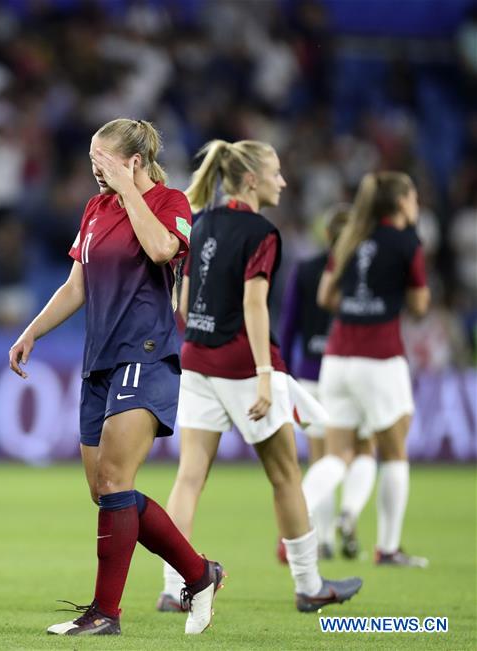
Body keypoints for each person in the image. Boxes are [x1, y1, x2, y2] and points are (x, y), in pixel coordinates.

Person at [9, 119, 223, 637]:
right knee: (105, 493)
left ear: (133, 161)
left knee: (114, 483)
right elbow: (76, 285)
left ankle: (106, 613)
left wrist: (129, 189)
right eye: (90, 160)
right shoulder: (95, 209)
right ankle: (200, 573)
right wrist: (32, 331)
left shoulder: (172, 204)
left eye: (102, 160)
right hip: (99, 358)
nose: (94, 169)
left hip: (147, 354)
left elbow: (160, 251)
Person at [157, 139, 363, 615]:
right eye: (276, 172)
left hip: (196, 361)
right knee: (286, 475)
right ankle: (310, 585)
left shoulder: (201, 222)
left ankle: (173, 588)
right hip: (244, 367)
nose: (283, 181)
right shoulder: (262, 233)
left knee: (189, 478)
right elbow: (254, 304)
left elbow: (183, 306)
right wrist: (266, 376)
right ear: (252, 179)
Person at [303, 172, 430, 568]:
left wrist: (357, 301)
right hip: (380, 357)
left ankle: (294, 515)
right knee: (392, 452)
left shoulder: (350, 236)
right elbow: (421, 305)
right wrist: (388, 297)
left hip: (338, 358)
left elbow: (326, 296)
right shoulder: (408, 241)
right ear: (401, 202)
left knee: (337, 454)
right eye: (413, 196)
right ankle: (388, 548)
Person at [280, 207, 377, 561]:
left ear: (326, 235)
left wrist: (286, 374)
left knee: (321, 457)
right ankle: (348, 515)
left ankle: (321, 541)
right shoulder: (361, 272)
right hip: (353, 371)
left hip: (310, 375)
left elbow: (288, 325)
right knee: (363, 449)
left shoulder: (305, 270)